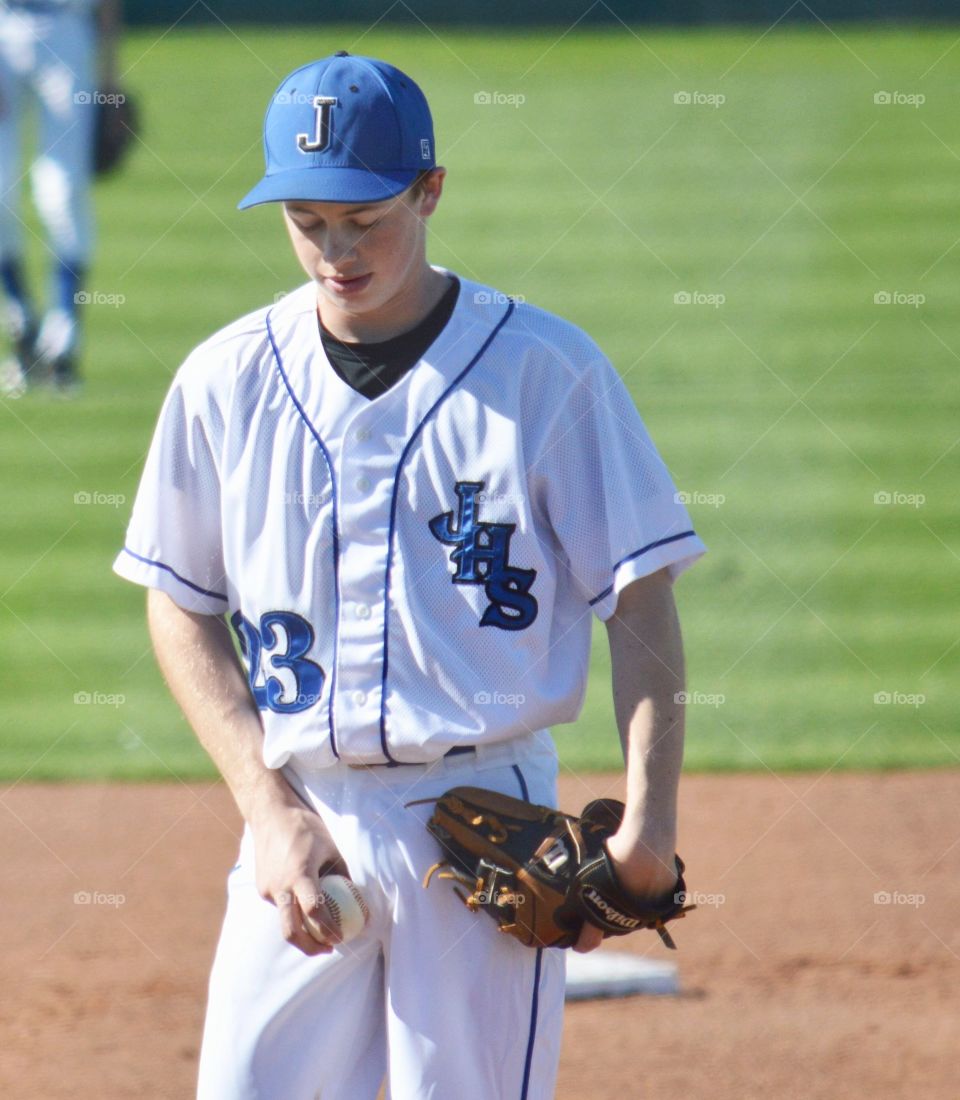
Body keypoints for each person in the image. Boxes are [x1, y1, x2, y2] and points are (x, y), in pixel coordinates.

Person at [114, 51, 706, 1100]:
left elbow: (640, 599)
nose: (335, 251)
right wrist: (266, 808)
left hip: (482, 819)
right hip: (303, 817)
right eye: (307, 221)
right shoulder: (222, 380)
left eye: (364, 219)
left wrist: (650, 828)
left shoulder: (544, 372)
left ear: (430, 191)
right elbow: (180, 602)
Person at [0, 0, 119, 393]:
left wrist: (110, 73)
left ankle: (63, 339)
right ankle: (21, 320)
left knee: (62, 192)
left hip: (66, 27)